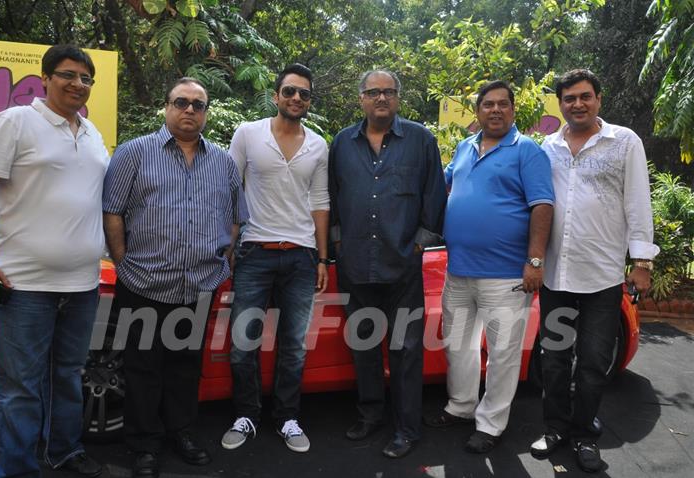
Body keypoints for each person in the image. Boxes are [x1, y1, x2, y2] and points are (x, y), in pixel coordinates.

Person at [103, 77, 247, 478]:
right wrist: (121, 260)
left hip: (198, 285)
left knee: (186, 366)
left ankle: (182, 433)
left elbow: (237, 218)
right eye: (181, 102)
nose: (189, 110)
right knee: (143, 367)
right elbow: (112, 210)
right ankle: (144, 445)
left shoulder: (222, 162)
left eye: (198, 105)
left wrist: (222, 258)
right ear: (166, 107)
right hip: (143, 283)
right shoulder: (134, 153)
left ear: (206, 112)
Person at [0, 44, 106, 478]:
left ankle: (64, 452)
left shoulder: (92, 134)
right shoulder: (14, 121)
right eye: (69, 75)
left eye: (86, 78)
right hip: (23, 284)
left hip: (83, 284)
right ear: (45, 77)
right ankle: (15, 469)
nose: (78, 84)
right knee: (19, 388)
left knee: (68, 376)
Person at [530, 69, 659, 473]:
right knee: (552, 360)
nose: (577, 104)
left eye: (585, 96)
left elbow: (638, 202)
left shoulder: (623, 142)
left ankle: (584, 434)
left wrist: (641, 262)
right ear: (561, 103)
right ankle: (554, 428)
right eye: (569, 98)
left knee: (591, 362)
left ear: (599, 99)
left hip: (602, 277)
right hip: (556, 276)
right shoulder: (546, 147)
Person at [426, 80, 554, 454]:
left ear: (513, 110)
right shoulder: (465, 148)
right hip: (459, 271)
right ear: (478, 111)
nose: (495, 110)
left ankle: (492, 424)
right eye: (488, 105)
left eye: (503, 104)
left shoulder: (527, 150)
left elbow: (542, 205)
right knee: (459, 346)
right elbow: (443, 186)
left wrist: (535, 261)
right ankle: (461, 406)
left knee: (502, 354)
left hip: (508, 275)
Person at [328, 69, 447, 458]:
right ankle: (370, 415)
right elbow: (331, 198)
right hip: (356, 265)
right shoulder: (342, 143)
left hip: (403, 267)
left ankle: (407, 428)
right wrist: (339, 243)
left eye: (389, 92)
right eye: (374, 92)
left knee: (406, 349)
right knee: (363, 346)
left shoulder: (421, 140)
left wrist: (418, 246)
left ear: (398, 98)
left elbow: (433, 199)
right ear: (361, 98)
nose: (382, 98)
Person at [220, 64, 329, 453]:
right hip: (254, 252)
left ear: (309, 101)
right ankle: (246, 415)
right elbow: (232, 191)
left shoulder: (318, 145)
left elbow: (320, 202)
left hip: (300, 257)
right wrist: (230, 247)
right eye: (289, 91)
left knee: (294, 345)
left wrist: (321, 258)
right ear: (276, 95)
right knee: (242, 342)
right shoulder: (248, 134)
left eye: (303, 93)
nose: (296, 98)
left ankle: (287, 418)